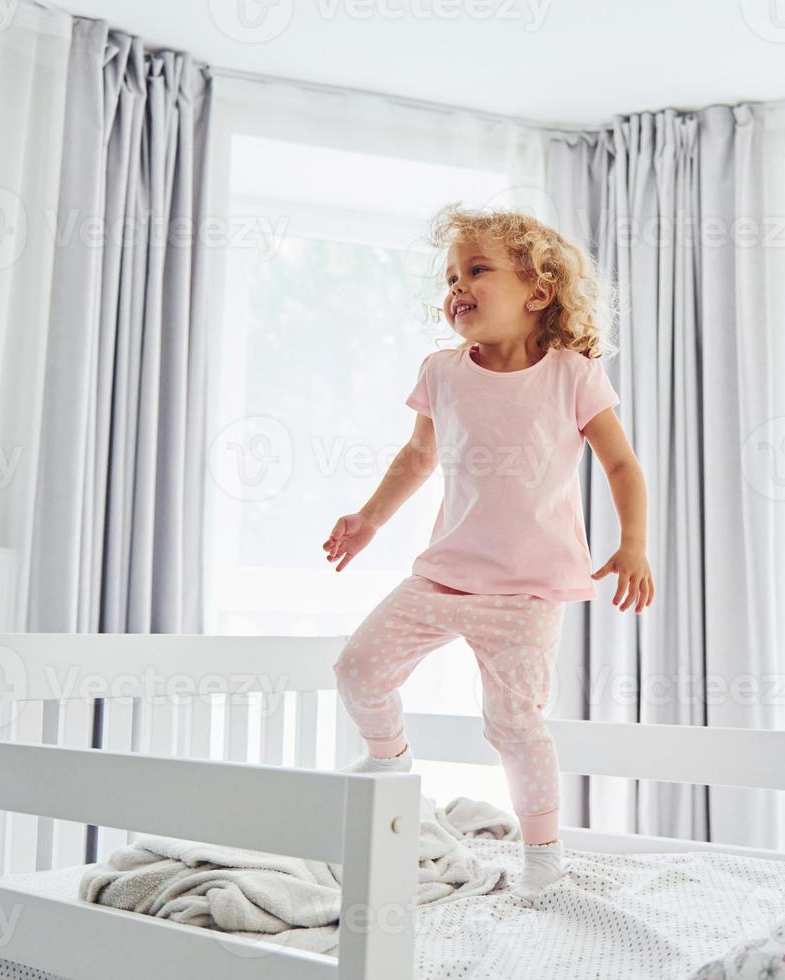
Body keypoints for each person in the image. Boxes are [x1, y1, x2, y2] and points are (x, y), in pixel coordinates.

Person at [323, 202, 652, 902]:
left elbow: (621, 465)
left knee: (513, 725)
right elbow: (418, 458)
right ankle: (392, 771)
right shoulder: (442, 372)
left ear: (538, 292)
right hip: (446, 576)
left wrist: (634, 545)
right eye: (450, 276)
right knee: (358, 670)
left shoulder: (571, 375)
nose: (456, 287)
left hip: (528, 591)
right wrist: (369, 520)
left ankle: (543, 856)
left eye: (476, 270)